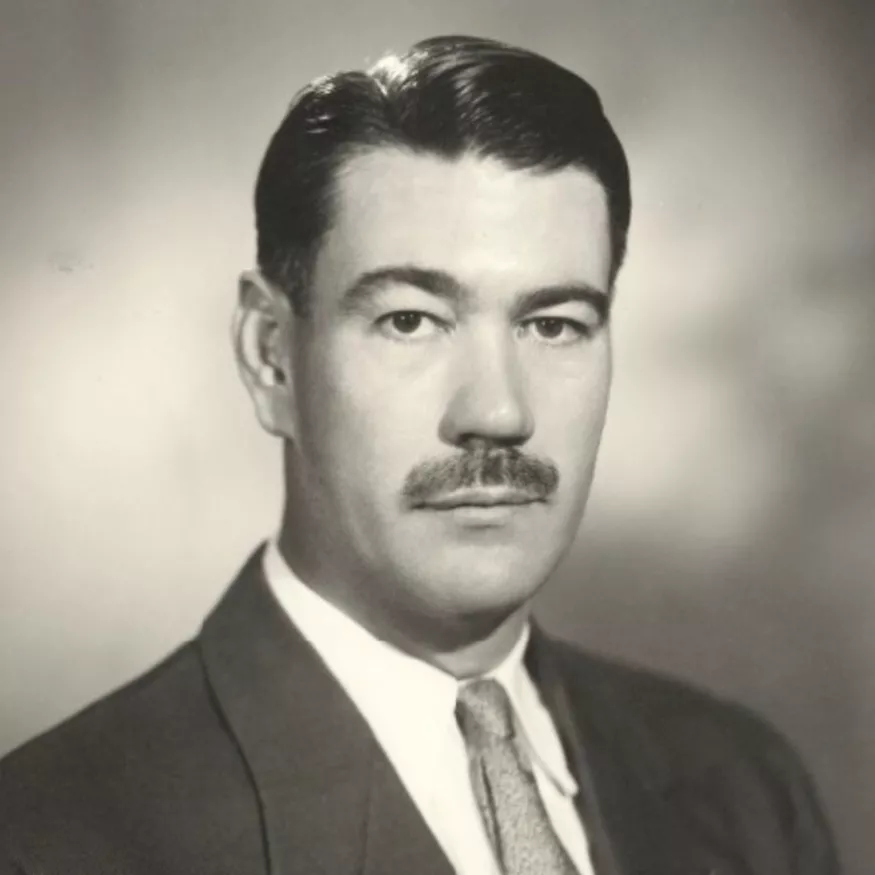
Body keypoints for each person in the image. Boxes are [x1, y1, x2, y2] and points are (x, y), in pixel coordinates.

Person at [0, 35, 840, 875]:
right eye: (410, 320)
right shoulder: (51, 838)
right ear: (271, 356)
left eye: (553, 324)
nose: (498, 411)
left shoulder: (744, 790)